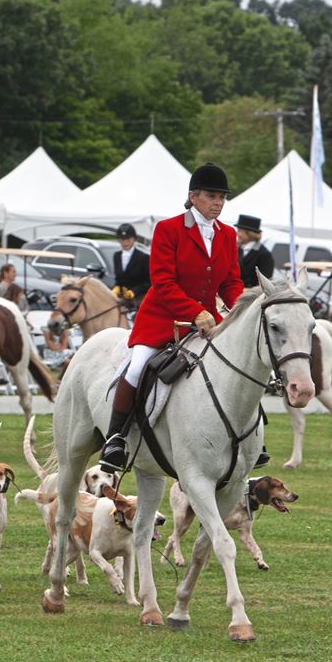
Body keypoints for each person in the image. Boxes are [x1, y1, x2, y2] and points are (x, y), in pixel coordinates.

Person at [98, 162, 244, 473]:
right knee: (137, 367)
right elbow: (163, 282)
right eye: (210, 196)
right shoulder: (168, 229)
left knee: (235, 366)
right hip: (163, 317)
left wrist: (239, 310)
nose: (217, 202)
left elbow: (231, 282)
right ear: (193, 196)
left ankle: (246, 439)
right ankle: (115, 437)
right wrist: (195, 312)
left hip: (208, 320)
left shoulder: (228, 235)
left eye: (222, 197)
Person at [111, 223, 150, 307]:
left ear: (134, 239)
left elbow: (149, 282)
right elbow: (119, 279)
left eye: (128, 239)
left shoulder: (143, 257)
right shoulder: (116, 256)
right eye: (122, 240)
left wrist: (134, 292)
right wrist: (116, 288)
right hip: (123, 297)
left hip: (139, 297)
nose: (125, 243)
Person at [235, 214, 275, 289]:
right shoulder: (236, 249)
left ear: (249, 234)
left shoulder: (264, 254)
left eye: (240, 231)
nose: (237, 234)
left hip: (252, 296)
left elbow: (265, 281)